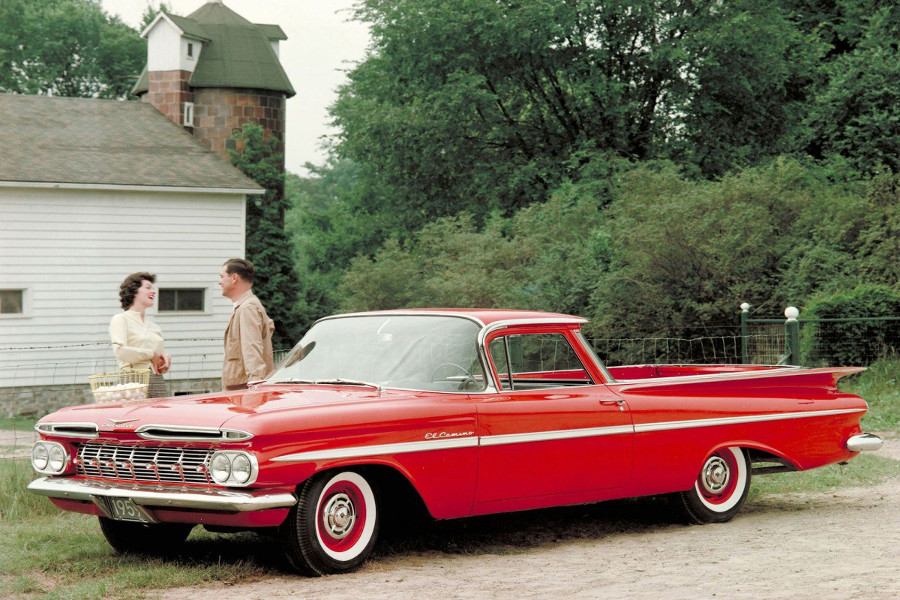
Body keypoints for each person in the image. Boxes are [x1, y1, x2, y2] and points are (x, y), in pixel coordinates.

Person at [109, 272, 172, 398]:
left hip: (157, 381)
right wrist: (151, 354)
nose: (153, 292)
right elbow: (120, 352)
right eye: (148, 287)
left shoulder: (155, 327)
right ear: (134, 290)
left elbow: (155, 364)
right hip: (131, 382)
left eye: (153, 288)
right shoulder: (121, 319)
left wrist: (164, 360)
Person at [219, 258, 275, 390]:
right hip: (240, 388)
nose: (219, 282)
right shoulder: (247, 306)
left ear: (234, 278)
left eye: (222, 277)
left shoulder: (247, 308)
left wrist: (256, 386)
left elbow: (252, 347)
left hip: (243, 392)